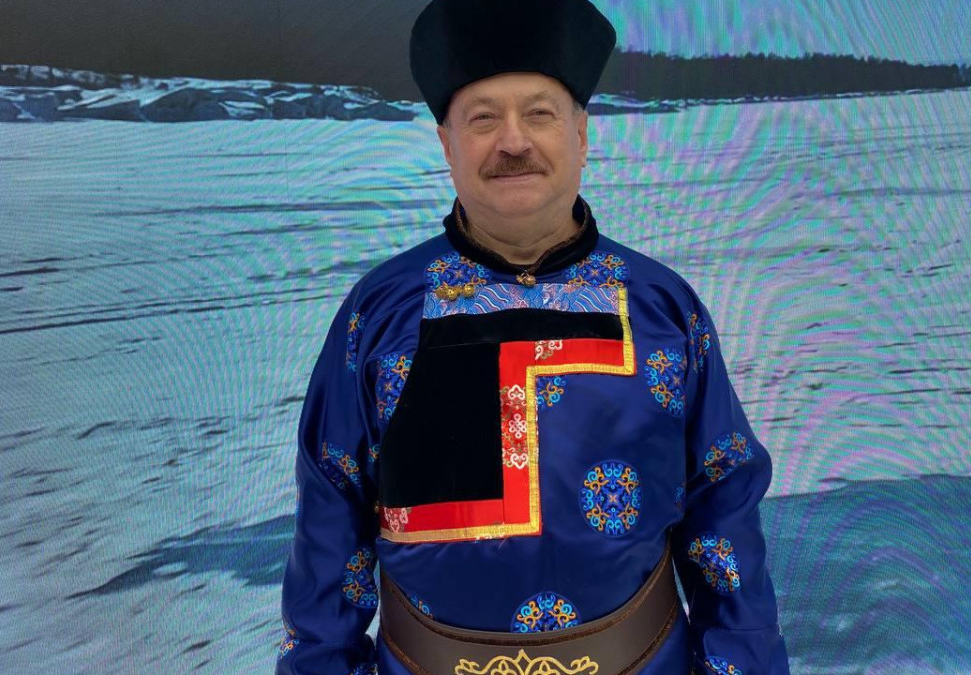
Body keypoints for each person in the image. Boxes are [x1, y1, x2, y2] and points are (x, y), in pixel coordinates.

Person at [277, 1, 789, 673]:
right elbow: (329, 533)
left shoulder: (665, 309)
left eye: (539, 114)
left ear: (581, 134)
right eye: (483, 118)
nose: (512, 141)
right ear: (447, 144)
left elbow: (724, 515)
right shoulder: (377, 317)